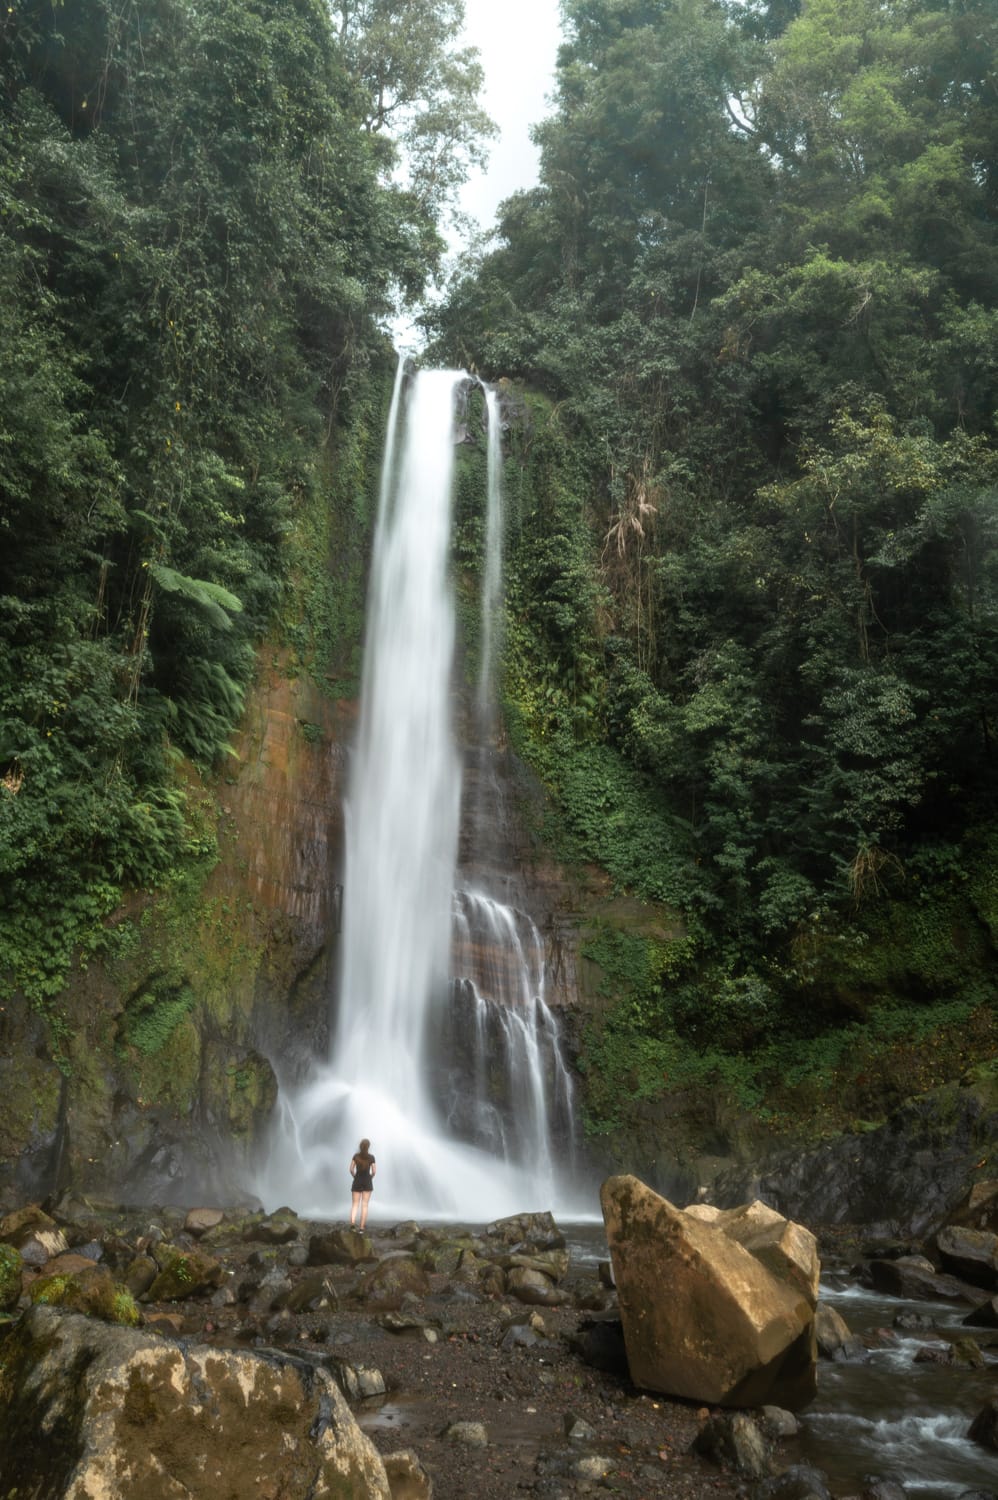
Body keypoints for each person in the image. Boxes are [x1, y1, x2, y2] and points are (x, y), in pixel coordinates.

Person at [349, 1137, 376, 1230]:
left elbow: (351, 1169)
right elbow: (374, 1171)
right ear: (368, 1147)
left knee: (355, 1204)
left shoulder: (355, 1156)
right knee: (364, 1205)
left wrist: (355, 1177)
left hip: (357, 1181)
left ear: (360, 1146)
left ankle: (352, 1224)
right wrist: (370, 1178)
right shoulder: (371, 1157)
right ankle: (361, 1228)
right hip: (367, 1182)